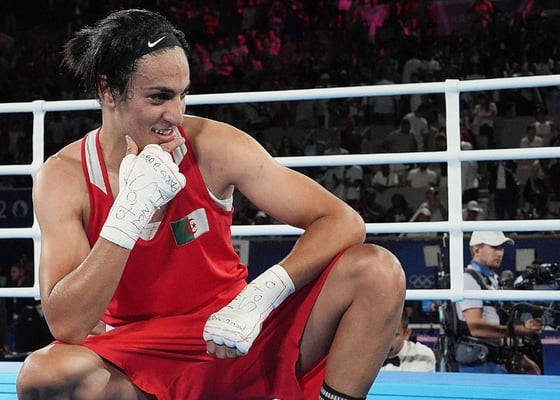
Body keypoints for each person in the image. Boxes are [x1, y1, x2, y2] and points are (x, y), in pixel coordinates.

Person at [15, 9, 406, 400]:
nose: (176, 114)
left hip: (235, 332)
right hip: (139, 353)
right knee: (42, 377)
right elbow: (67, 324)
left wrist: (258, 298)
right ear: (108, 91)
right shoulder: (66, 177)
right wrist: (130, 212)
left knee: (377, 271)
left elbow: (343, 220)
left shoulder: (214, 146)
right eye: (159, 97)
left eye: (182, 94)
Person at [454, 231, 543, 374]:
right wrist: (520, 330)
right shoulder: (469, 278)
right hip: (477, 363)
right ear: (476, 250)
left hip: (493, 357)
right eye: (495, 248)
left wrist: (519, 357)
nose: (500, 253)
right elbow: (476, 328)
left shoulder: (493, 279)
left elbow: (498, 321)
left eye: (501, 248)